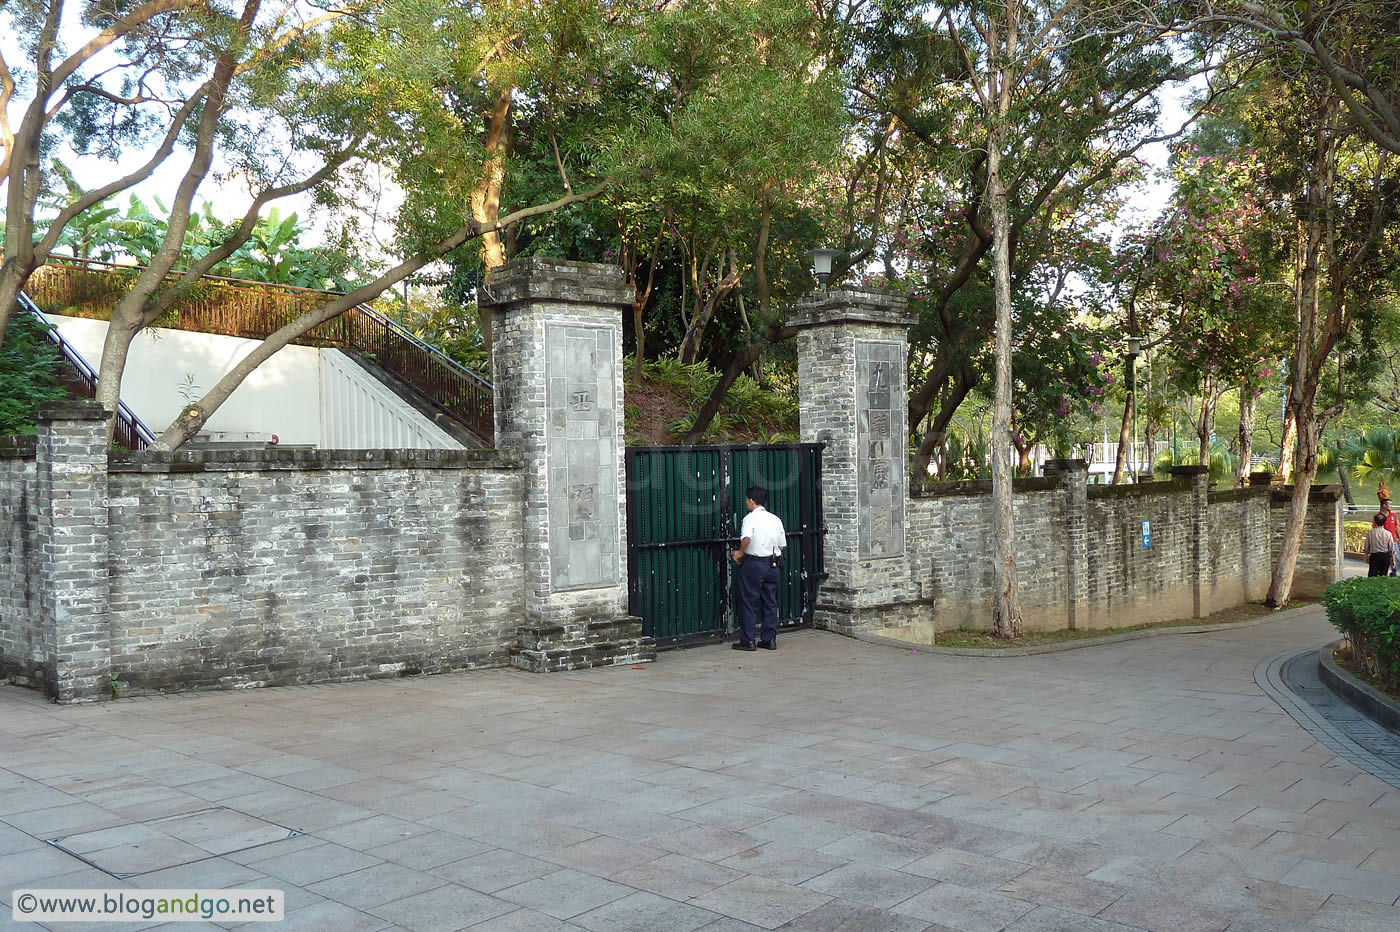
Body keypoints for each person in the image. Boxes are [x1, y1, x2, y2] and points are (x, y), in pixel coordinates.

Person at [730, 485, 786, 651]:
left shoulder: (750, 519)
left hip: (754, 563)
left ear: (752, 501)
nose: (746, 503)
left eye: (747, 500)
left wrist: (740, 552)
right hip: (773, 564)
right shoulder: (775, 519)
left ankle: (748, 640)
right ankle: (769, 640)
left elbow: (747, 538)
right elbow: (782, 546)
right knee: (770, 602)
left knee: (749, 601)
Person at [1365, 513, 1395, 577]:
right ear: (1384, 522)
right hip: (1385, 556)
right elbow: (1391, 548)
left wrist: (1366, 555)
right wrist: (1393, 560)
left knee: (1372, 575)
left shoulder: (1370, 532)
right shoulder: (1388, 533)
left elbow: (1367, 545)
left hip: (1374, 556)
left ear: (1375, 522)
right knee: (1383, 575)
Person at [1381, 498, 1399, 577]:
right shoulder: (1379, 516)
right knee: (1385, 558)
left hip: (1394, 540)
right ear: (1384, 505)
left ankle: (1394, 572)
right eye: (1389, 504)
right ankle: (1382, 573)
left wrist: (1399, 537)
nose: (1391, 506)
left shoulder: (1393, 515)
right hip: (1383, 541)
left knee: (1396, 557)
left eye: (1391, 504)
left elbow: (1396, 527)